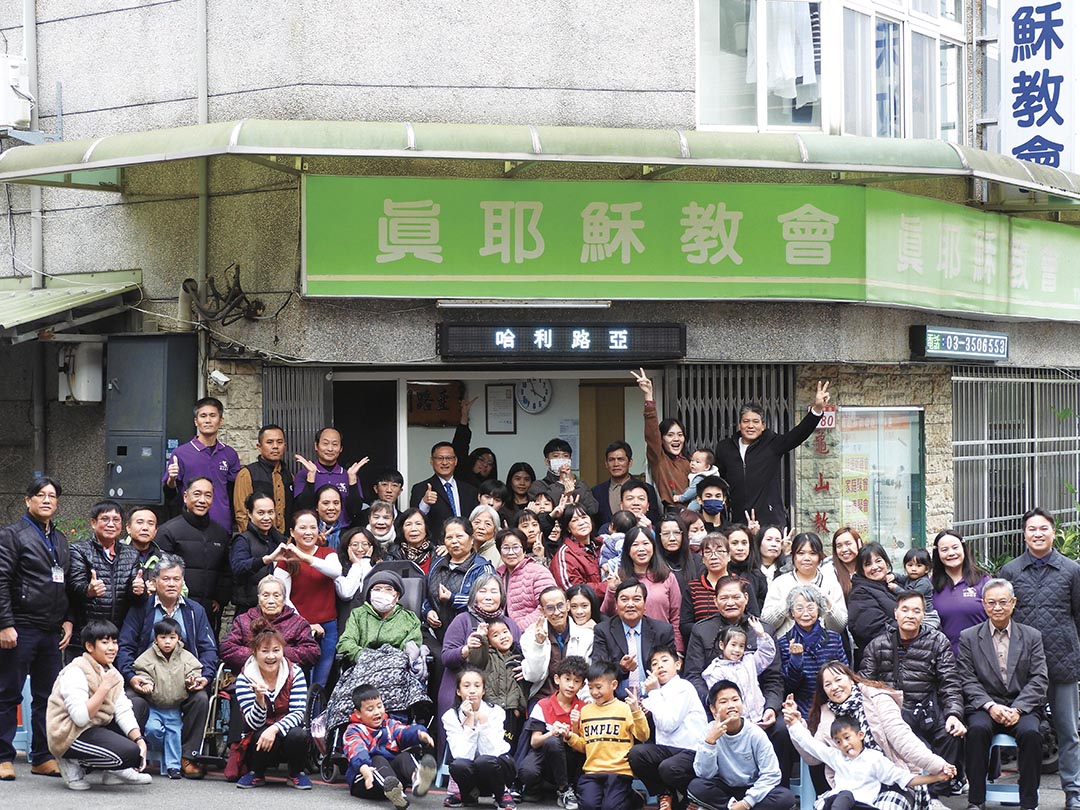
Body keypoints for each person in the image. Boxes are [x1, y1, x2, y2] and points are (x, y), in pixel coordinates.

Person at [792, 661, 955, 810]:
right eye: (828, 684)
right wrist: (795, 723)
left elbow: (903, 740)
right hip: (851, 788)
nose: (834, 687)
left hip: (892, 780)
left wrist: (938, 767)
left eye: (838, 679)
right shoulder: (827, 714)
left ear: (851, 679)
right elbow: (813, 755)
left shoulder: (878, 699)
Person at [1001, 507, 1080, 810]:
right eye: (1032, 529)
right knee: (1025, 730)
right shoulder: (1011, 571)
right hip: (1023, 666)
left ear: (1053, 532)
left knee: (1068, 730)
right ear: (1024, 534)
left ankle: (1072, 791)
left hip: (1062, 661)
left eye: (1043, 528)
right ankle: (1025, 793)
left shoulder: (1071, 570)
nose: (1037, 534)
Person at [683, 575, 794, 785]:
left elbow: (774, 677)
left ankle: (777, 787)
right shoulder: (702, 630)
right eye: (724, 598)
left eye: (736, 597)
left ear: (746, 598)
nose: (730, 602)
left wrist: (771, 707)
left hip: (758, 707)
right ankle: (723, 789)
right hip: (717, 710)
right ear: (715, 601)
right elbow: (693, 676)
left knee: (781, 729)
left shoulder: (762, 629)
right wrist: (716, 704)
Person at [116, 554, 218, 779]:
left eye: (176, 579)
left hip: (183, 681)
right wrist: (131, 676)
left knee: (201, 699)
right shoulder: (141, 608)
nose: (172, 584)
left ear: (183, 582)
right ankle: (133, 756)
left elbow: (209, 649)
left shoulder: (195, 611)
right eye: (166, 579)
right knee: (132, 700)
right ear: (154, 581)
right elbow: (124, 647)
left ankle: (188, 757)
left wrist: (205, 677)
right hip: (147, 680)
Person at [0, 475, 74, 780]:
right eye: (40, 495)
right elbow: (1, 580)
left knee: (47, 696)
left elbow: (64, 584)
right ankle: (2, 757)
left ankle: (42, 757)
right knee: (7, 693)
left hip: (51, 629)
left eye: (52, 496)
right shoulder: (12, 535)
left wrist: (68, 618)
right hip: (21, 625)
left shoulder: (60, 539)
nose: (46, 500)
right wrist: (5, 623)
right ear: (27, 500)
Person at [858, 590, 966, 795]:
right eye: (905, 610)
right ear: (896, 612)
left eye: (916, 611)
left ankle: (935, 794)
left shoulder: (937, 641)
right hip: (892, 713)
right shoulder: (878, 644)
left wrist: (954, 713)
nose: (910, 615)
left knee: (951, 733)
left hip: (927, 708)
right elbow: (865, 684)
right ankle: (904, 791)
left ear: (924, 614)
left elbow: (950, 682)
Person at [957, 578, 1048, 810]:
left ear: (1013, 603)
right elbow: (967, 678)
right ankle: (976, 801)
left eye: (1003, 602)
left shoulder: (1032, 636)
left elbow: (1039, 678)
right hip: (985, 706)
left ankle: (1029, 802)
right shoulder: (968, 637)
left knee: (1031, 734)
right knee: (976, 731)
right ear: (983, 604)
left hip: (1022, 706)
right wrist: (990, 706)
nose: (997, 607)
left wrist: (1018, 709)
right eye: (991, 602)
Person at [46, 620, 150, 791]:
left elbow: (123, 709)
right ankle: (71, 762)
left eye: (114, 642)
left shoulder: (112, 672)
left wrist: (139, 740)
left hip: (95, 727)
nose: (112, 648)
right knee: (129, 754)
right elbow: (80, 718)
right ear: (90, 646)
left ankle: (114, 772)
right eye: (105, 642)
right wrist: (104, 687)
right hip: (69, 734)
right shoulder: (76, 670)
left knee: (138, 705)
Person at [713, 381, 830, 525]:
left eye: (756, 422)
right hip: (738, 520)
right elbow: (718, 479)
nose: (750, 426)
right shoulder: (725, 448)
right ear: (739, 425)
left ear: (763, 426)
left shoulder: (772, 443)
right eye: (746, 421)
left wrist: (817, 409)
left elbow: (798, 434)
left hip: (770, 520)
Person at [786, 712, 948, 810]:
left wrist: (936, 777)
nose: (844, 744)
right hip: (837, 803)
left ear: (860, 735)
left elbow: (903, 778)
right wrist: (794, 724)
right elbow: (812, 745)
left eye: (847, 737)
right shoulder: (836, 757)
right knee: (845, 795)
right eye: (839, 741)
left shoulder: (874, 759)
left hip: (863, 805)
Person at [687, 680, 796, 810]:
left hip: (753, 788)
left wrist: (746, 802)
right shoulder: (709, 732)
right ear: (713, 709)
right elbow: (704, 774)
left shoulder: (755, 733)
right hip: (725, 789)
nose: (731, 705)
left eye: (735, 700)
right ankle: (731, 807)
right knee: (696, 787)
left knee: (786, 798)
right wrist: (710, 743)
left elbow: (771, 774)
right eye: (723, 702)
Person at [232, 619, 313, 789]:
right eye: (265, 651)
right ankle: (256, 773)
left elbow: (298, 713)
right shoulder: (245, 678)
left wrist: (274, 729)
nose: (271, 656)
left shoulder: (295, 672)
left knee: (298, 735)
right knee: (259, 733)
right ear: (255, 653)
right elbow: (253, 723)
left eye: (276, 650)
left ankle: (296, 773)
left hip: (286, 730)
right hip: (259, 734)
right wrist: (259, 700)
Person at [559, 660, 650, 810]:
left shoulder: (625, 709)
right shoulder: (586, 711)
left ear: (613, 685)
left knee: (610, 807)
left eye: (599, 687)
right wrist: (569, 736)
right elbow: (584, 746)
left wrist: (636, 712)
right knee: (588, 806)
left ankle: (633, 798)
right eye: (590, 687)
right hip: (592, 772)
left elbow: (643, 736)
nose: (594, 692)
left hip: (619, 772)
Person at [628, 644, 709, 810]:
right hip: (668, 750)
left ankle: (695, 798)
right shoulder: (656, 693)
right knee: (636, 754)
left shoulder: (684, 687)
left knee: (669, 768)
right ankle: (664, 793)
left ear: (678, 664)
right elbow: (643, 725)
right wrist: (637, 708)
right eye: (654, 664)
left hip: (691, 750)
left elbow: (668, 724)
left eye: (665, 660)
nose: (660, 666)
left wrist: (653, 692)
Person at [438, 575, 521, 727]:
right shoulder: (462, 620)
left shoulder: (509, 624)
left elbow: (518, 654)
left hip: (501, 698)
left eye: (494, 592)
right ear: (474, 595)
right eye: (483, 591)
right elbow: (446, 657)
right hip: (463, 692)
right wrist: (466, 649)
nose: (488, 597)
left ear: (502, 596)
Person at [273, 509, 343, 688]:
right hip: (296, 626)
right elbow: (282, 597)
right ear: (292, 532)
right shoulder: (284, 560)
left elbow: (336, 571)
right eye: (303, 528)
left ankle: (317, 707)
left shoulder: (327, 553)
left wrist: (304, 557)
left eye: (313, 527)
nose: (308, 532)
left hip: (328, 626)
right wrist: (305, 624)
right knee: (300, 680)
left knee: (320, 681)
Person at [343, 683, 437, 807]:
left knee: (404, 756)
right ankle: (397, 795)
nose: (377, 712)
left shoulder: (389, 724)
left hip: (393, 779)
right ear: (358, 713)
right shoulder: (353, 730)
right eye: (370, 709)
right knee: (378, 758)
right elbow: (356, 749)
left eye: (379, 706)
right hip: (367, 779)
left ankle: (418, 779)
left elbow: (403, 732)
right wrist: (364, 767)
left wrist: (418, 734)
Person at [155, 476, 232, 627]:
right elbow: (158, 572)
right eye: (197, 494)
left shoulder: (220, 533)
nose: (202, 500)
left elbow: (226, 571)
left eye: (208, 495)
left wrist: (220, 598)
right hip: (175, 610)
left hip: (209, 611)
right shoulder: (168, 531)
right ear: (185, 497)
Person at [68, 500, 145, 649]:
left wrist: (139, 590)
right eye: (105, 519)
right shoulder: (79, 550)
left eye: (116, 520)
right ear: (93, 522)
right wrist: (88, 590)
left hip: (120, 633)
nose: (111, 524)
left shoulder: (131, 553)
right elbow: (74, 585)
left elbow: (135, 595)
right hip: (88, 631)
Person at [133, 617, 202, 779]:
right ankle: (162, 749)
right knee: (152, 730)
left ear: (179, 638)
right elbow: (141, 672)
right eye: (163, 637)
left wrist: (192, 680)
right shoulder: (147, 657)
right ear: (155, 639)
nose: (167, 642)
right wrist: (146, 684)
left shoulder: (186, 657)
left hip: (174, 706)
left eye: (172, 637)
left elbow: (195, 671)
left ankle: (173, 767)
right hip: (153, 705)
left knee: (174, 733)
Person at [162, 396, 241, 532]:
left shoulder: (230, 454)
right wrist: (171, 479)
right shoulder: (181, 453)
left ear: (221, 420)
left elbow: (233, 492)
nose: (208, 420)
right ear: (196, 421)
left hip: (222, 523)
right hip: (189, 524)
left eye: (212, 416)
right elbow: (170, 494)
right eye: (203, 416)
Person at [518, 655, 588, 807]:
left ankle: (564, 789)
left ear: (582, 685)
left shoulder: (585, 708)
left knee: (557, 744)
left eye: (577, 681)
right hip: (544, 754)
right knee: (528, 771)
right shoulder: (542, 705)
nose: (571, 685)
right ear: (557, 679)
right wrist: (552, 732)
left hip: (571, 759)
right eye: (567, 679)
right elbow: (534, 742)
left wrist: (574, 726)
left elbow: (582, 747)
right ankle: (536, 789)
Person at [443, 667, 517, 809]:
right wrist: (470, 722)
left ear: (483, 691)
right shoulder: (450, 717)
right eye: (466, 686)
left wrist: (483, 722)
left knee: (485, 761)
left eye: (477, 686)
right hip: (472, 771)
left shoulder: (496, 712)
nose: (472, 691)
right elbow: (461, 756)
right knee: (458, 765)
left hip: (497, 769)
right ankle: (469, 794)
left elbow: (492, 752)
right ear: (458, 691)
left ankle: (501, 794)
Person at [591, 578, 675, 697]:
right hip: (616, 701)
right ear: (616, 605)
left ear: (645, 604)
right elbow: (598, 672)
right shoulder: (603, 631)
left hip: (655, 697)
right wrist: (621, 668)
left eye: (636, 599)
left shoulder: (663, 631)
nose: (630, 604)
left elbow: (671, 671)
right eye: (624, 599)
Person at [602, 526, 683, 650]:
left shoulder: (667, 577)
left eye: (646, 543)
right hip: (627, 645)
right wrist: (612, 589)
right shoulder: (619, 577)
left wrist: (678, 650)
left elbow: (676, 616)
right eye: (635, 544)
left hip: (661, 645)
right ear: (627, 550)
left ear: (653, 547)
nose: (641, 549)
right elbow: (607, 613)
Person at [219, 575, 320, 673]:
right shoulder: (243, 620)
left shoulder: (298, 623)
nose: (271, 601)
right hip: (249, 676)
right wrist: (258, 654)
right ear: (259, 598)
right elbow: (227, 648)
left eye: (276, 596)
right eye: (266, 595)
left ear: (284, 599)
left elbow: (312, 652)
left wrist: (278, 653)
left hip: (287, 677)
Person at [778, 585, 848, 715]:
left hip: (836, 706)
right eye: (799, 609)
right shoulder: (784, 643)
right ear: (792, 612)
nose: (805, 614)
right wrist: (796, 659)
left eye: (810, 608)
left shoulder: (834, 638)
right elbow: (788, 686)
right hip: (803, 709)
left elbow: (846, 674)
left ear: (819, 609)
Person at [761, 532, 846, 635]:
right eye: (801, 553)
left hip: (824, 644)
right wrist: (785, 605)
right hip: (787, 643)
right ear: (793, 556)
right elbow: (767, 624)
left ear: (820, 556)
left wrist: (828, 604)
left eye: (812, 553)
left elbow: (839, 627)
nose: (806, 558)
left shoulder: (831, 584)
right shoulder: (780, 583)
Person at [520, 586, 594, 700]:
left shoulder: (586, 636)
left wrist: (586, 702)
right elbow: (534, 677)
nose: (557, 612)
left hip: (575, 697)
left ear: (568, 605)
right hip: (543, 697)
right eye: (550, 608)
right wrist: (538, 644)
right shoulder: (530, 635)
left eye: (560, 606)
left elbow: (586, 674)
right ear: (542, 611)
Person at [337, 569, 423, 665]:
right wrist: (364, 656)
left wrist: (390, 661)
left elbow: (411, 647)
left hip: (396, 666)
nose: (382, 593)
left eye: (388, 589)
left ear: (397, 595)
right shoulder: (358, 615)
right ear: (370, 594)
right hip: (363, 665)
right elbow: (345, 643)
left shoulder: (409, 619)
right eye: (377, 589)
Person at [632, 369, 691, 509]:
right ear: (662, 439)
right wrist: (648, 396)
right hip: (674, 514)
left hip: (697, 515)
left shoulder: (690, 461)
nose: (676, 439)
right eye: (670, 435)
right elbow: (652, 434)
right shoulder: (660, 460)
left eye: (680, 434)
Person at [702, 618, 777, 722]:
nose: (737, 650)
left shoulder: (749, 660)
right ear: (722, 645)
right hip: (735, 722)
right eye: (733, 645)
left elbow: (767, 654)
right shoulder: (715, 671)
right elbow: (719, 699)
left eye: (741, 646)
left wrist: (761, 635)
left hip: (759, 715)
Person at [931, 529, 989, 657]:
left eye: (955, 547)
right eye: (944, 550)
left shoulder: (983, 580)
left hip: (981, 658)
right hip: (945, 660)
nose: (951, 553)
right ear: (937, 554)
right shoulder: (931, 585)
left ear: (963, 548)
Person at [292, 427, 367, 527]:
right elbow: (302, 507)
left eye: (335, 444)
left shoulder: (349, 475)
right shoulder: (304, 474)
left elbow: (355, 510)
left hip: (343, 531)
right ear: (316, 446)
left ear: (341, 448)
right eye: (325, 443)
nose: (330, 449)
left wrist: (353, 480)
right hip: (313, 531)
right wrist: (311, 478)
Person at [230, 491, 288, 614]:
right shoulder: (243, 540)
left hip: (277, 607)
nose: (267, 518)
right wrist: (264, 560)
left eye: (270, 512)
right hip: (249, 608)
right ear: (249, 513)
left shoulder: (279, 540)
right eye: (261, 513)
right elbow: (238, 567)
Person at [232, 423, 294, 534]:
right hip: (257, 539)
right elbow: (241, 514)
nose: (275, 446)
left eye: (279, 442)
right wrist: (253, 540)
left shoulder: (289, 476)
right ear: (259, 446)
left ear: (285, 445)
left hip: (286, 540)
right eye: (269, 442)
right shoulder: (247, 474)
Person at [410, 441, 480, 535]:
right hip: (436, 542)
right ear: (432, 461)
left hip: (465, 540)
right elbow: (414, 520)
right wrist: (425, 503)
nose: (444, 462)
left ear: (455, 461)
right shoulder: (420, 488)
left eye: (449, 458)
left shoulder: (470, 490)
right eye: (440, 458)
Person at [846, 542, 898, 660]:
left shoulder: (892, 585)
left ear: (886, 562)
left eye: (878, 561)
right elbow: (872, 627)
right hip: (880, 660)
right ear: (862, 570)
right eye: (868, 564)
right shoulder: (860, 594)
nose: (874, 567)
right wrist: (910, 630)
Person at [591, 441, 661, 528]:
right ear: (606, 464)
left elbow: (654, 520)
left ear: (630, 462)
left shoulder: (647, 489)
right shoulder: (597, 491)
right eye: (611, 460)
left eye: (620, 459)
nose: (616, 464)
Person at [497, 527, 556, 630]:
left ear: (524, 551)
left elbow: (548, 604)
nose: (511, 552)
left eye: (516, 547)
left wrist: (518, 629)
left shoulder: (538, 571)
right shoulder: (497, 575)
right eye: (505, 548)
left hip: (533, 632)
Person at [528, 438, 599, 519]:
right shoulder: (538, 486)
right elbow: (542, 513)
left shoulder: (581, 485)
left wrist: (574, 483)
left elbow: (592, 509)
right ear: (547, 462)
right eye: (556, 456)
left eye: (565, 456)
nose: (561, 460)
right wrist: (560, 483)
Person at [551, 505, 605, 598]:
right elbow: (573, 590)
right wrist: (608, 587)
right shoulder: (565, 555)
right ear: (568, 528)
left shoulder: (603, 545)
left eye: (584, 517)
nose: (581, 523)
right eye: (575, 520)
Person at [890, 548, 940, 630]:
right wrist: (893, 576)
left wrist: (896, 588)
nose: (913, 569)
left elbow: (912, 597)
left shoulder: (924, 582)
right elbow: (901, 577)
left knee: (924, 634)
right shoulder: (910, 578)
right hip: (914, 613)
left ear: (927, 569)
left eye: (919, 566)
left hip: (927, 616)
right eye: (910, 565)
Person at [727, 523, 768, 612]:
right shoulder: (721, 573)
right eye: (734, 543)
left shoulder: (758, 576)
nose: (740, 548)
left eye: (744, 543)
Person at [313, 483, 363, 551]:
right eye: (326, 503)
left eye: (336, 503)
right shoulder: (310, 533)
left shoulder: (349, 536)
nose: (331, 508)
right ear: (316, 506)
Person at [675, 448, 721, 513]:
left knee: (691, 509)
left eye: (697, 462)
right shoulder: (712, 474)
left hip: (702, 498)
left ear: (707, 467)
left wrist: (681, 498)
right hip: (711, 499)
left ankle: (686, 514)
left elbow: (693, 491)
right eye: (692, 460)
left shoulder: (700, 477)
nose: (693, 463)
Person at [823, 526, 861, 601]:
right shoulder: (828, 570)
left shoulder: (868, 565)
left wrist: (863, 555)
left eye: (848, 544)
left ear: (858, 544)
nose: (844, 550)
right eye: (839, 546)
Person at [394, 507, 435, 573]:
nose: (413, 529)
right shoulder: (393, 555)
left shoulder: (437, 554)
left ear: (426, 529)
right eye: (408, 524)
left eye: (418, 524)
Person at [122, 507, 163, 572]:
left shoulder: (164, 559)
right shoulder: (114, 553)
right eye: (140, 522)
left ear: (156, 531)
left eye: (150, 524)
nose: (145, 528)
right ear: (128, 528)